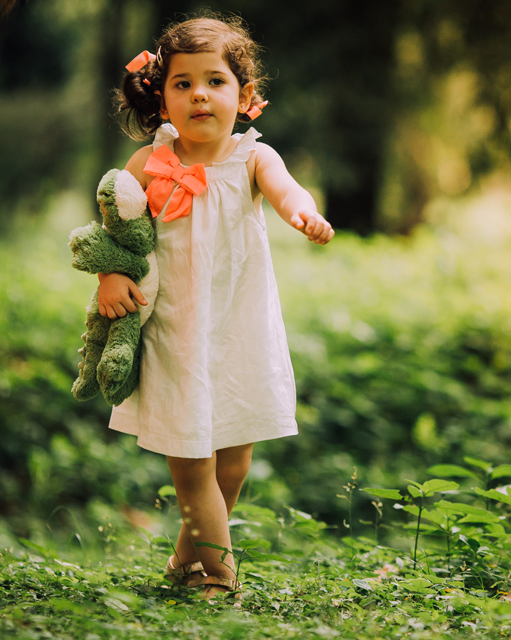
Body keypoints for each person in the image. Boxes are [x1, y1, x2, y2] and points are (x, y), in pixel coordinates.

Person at [100, 15, 334, 600]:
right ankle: (217, 575)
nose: (198, 94)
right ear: (163, 98)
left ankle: (186, 556)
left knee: (231, 463)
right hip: (175, 331)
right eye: (182, 84)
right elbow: (116, 231)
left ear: (246, 96)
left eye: (215, 81)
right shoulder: (147, 163)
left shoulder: (252, 158)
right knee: (194, 463)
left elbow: (287, 189)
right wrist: (108, 276)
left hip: (240, 327)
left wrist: (301, 213)